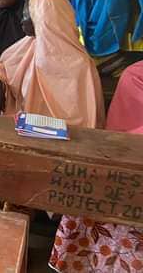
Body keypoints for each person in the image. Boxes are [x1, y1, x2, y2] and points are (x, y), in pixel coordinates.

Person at [49, 62, 143, 271]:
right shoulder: (135, 76)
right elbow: (120, 139)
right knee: (92, 191)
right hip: (126, 164)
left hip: (124, 166)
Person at [0, 0, 104, 127]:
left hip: (69, 133)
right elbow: (1, 66)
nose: (22, 21)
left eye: (27, 15)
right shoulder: (28, 45)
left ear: (44, 20)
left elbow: (85, 116)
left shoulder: (80, 65)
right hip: (26, 124)